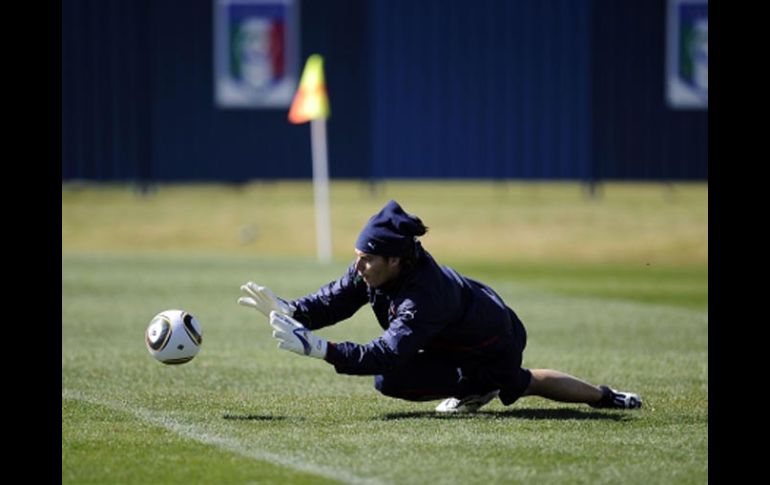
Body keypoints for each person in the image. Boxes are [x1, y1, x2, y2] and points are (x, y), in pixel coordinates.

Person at [237, 200, 642, 413]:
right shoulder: (379, 267)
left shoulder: (422, 296)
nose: (358, 265)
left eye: (366, 259)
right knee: (395, 376)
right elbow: (337, 298)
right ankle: (474, 386)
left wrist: (320, 349)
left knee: (520, 381)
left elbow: (387, 355)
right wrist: (294, 309)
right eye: (357, 255)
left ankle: (604, 396)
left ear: (395, 260)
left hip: (492, 345)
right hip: (458, 331)